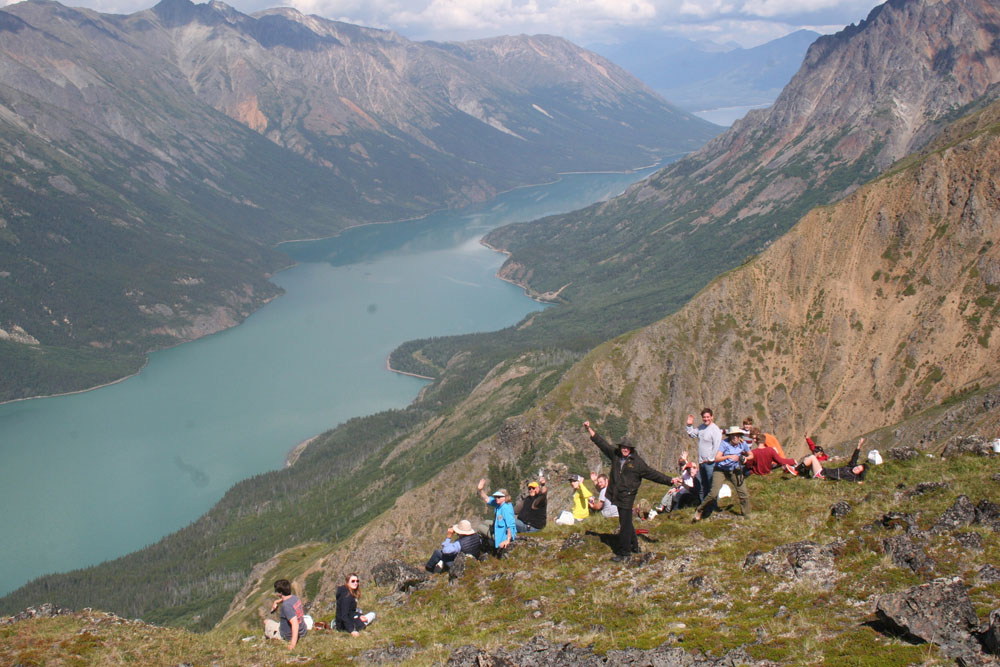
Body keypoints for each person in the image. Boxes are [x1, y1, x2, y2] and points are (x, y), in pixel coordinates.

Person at [584, 421, 671, 562]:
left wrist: (670, 481)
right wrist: (589, 429)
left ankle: (624, 554)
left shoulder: (637, 463)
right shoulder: (616, 455)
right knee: (626, 522)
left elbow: (653, 474)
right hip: (616, 494)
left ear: (631, 448)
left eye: (627, 447)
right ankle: (635, 546)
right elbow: (602, 444)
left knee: (624, 524)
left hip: (627, 496)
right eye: (623, 447)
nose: (625, 449)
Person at [693, 426, 751, 522]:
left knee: (743, 493)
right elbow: (717, 458)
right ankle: (700, 509)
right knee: (713, 493)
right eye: (732, 435)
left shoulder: (743, 444)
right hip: (720, 470)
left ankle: (746, 515)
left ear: (739, 435)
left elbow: (751, 454)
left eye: (736, 435)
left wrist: (745, 459)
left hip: (734, 469)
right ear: (730, 436)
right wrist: (729, 456)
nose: (734, 437)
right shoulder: (724, 443)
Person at [686, 409, 723, 502]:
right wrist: (689, 425)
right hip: (702, 462)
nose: (706, 419)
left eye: (708, 417)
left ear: (712, 417)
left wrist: (711, 459)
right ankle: (704, 505)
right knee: (704, 485)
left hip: (710, 463)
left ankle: (713, 506)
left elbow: (717, 446)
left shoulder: (715, 430)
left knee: (712, 485)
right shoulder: (701, 427)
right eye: (704, 417)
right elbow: (692, 434)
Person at [264, 579, 307, 650]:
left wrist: (292, 644)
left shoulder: (286, 606)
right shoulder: (295, 598)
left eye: (276, 591)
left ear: (280, 593)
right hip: (303, 631)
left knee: (266, 622)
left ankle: (273, 637)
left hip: (287, 635)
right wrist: (276, 602)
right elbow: (285, 599)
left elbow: (295, 624)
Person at [476, 479, 516, 554]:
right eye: (496, 497)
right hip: (499, 528)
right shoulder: (500, 503)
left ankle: (490, 547)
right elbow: (487, 499)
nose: (496, 498)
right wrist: (480, 490)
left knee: (480, 527)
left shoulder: (506, 509)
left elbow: (510, 525)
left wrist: (507, 540)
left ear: (505, 497)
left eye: (499, 497)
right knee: (485, 522)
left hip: (501, 536)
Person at [802, 437, 868, 483]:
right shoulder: (851, 467)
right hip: (823, 471)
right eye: (857, 467)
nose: (856, 468)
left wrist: (859, 481)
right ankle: (805, 474)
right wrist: (859, 446)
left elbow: (857, 480)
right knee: (807, 459)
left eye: (858, 470)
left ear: (859, 473)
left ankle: (797, 470)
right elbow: (854, 458)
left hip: (823, 475)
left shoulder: (852, 477)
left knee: (812, 457)